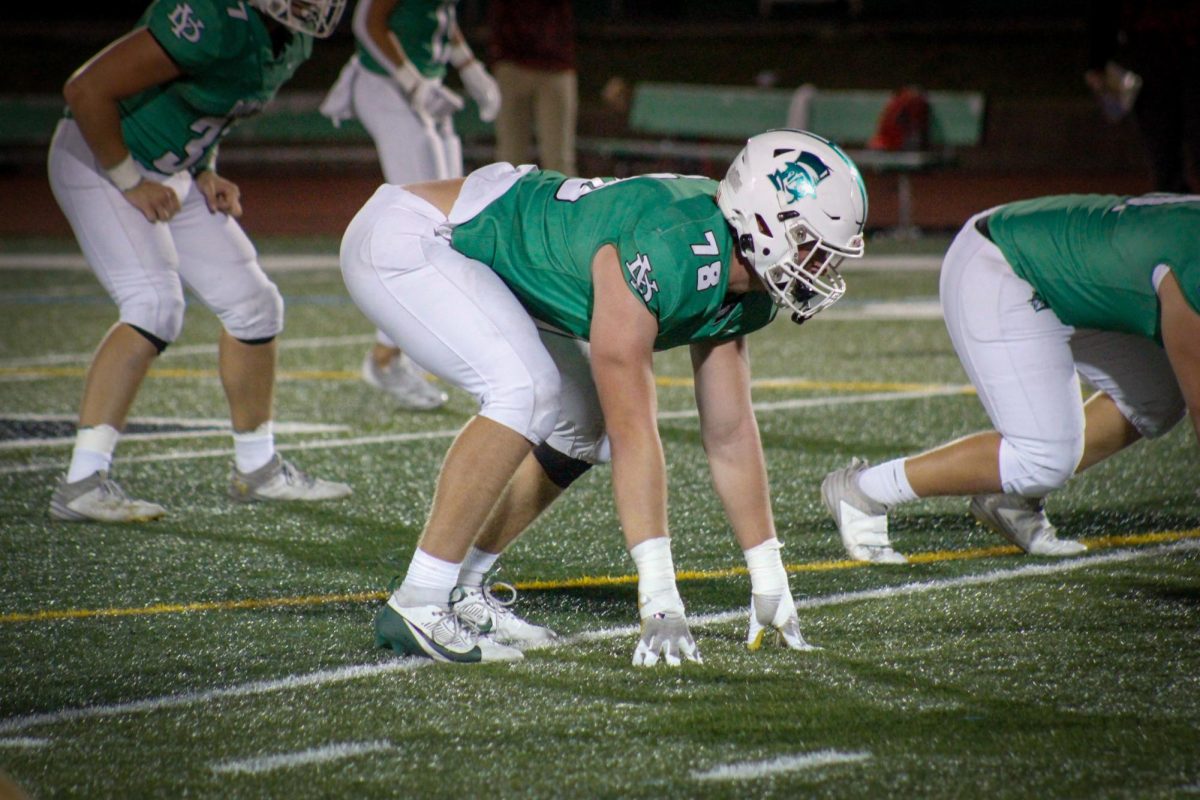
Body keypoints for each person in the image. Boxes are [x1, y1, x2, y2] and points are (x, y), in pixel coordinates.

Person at [340, 128, 869, 664]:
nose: (820, 268)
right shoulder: (664, 246)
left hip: (493, 252)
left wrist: (768, 573)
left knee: (578, 423)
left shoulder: (746, 279)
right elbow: (634, 430)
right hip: (417, 236)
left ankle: (463, 585)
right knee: (524, 390)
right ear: (763, 221)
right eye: (811, 245)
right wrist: (660, 598)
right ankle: (421, 599)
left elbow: (730, 433)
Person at [47, 0, 353, 523]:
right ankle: (81, 483)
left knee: (254, 304)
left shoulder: (289, 37)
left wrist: (206, 168)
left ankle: (257, 468)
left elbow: (214, 108)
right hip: (102, 160)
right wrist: (130, 182)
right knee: (153, 305)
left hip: (171, 170)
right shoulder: (209, 17)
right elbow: (85, 88)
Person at [823, 193, 1200, 563]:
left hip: (1055, 275)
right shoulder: (1192, 266)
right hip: (1003, 269)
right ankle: (865, 489)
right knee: (1044, 460)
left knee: (1157, 397)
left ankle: (1011, 497)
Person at [321, 0, 501, 410]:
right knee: (423, 220)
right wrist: (411, 79)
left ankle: (399, 351)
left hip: (423, 85)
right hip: (386, 83)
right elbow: (368, 22)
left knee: (451, 218)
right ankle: (392, 354)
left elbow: (440, 16)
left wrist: (469, 66)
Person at [1086, 0, 1200, 192]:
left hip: (1183, 46)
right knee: (1163, 154)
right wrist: (1097, 59)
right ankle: (1172, 212)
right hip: (1150, 48)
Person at [489, 0, 578, 176]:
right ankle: (508, 203)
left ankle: (562, 203)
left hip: (555, 66)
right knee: (509, 158)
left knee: (559, 158)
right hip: (511, 63)